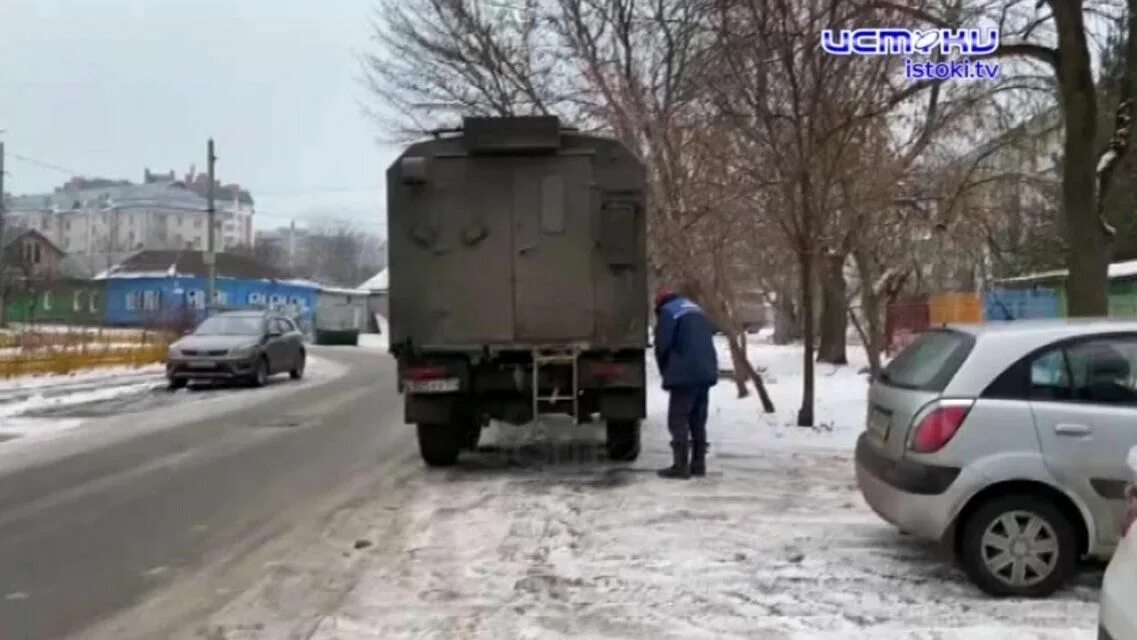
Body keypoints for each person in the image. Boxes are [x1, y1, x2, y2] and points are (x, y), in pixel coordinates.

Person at [653, 287, 719, 479]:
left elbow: (663, 344)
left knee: (678, 419)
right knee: (698, 419)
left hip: (684, 373)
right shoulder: (697, 310)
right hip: (705, 371)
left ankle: (680, 466)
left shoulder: (669, 312)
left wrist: (666, 369)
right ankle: (698, 464)